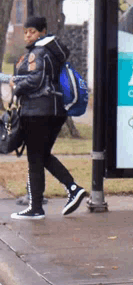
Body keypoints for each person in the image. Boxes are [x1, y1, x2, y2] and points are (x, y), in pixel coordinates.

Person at [9, 16, 87, 220]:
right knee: (41, 156)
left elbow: (36, 79)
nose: (28, 35)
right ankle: (70, 190)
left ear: (43, 32)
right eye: (26, 31)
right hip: (53, 111)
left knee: (36, 158)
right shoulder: (51, 52)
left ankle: (37, 207)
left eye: (32, 31)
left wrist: (17, 87)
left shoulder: (39, 51)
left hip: (38, 112)